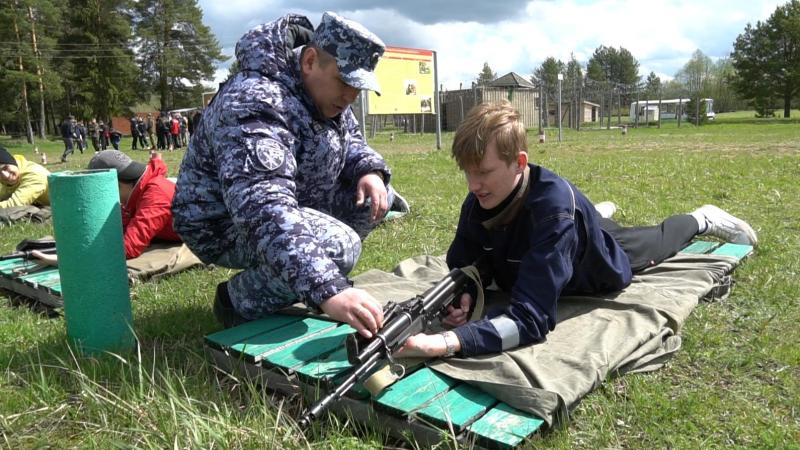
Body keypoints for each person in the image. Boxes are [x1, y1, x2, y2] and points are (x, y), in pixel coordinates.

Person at [397, 101, 758, 358]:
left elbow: (530, 321)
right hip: (560, 232)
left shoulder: (553, 213)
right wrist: (467, 297)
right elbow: (465, 261)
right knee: (578, 222)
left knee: (657, 242)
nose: (473, 185)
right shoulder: (482, 198)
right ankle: (592, 215)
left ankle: (701, 218)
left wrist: (448, 342)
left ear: (520, 163)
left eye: (484, 172)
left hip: (595, 265)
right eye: (468, 172)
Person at [172, 12, 407, 338]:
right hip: (223, 223)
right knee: (340, 247)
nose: (351, 96)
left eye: (358, 87)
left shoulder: (324, 95)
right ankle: (237, 301)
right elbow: (262, 204)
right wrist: (329, 288)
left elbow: (350, 139)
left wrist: (370, 171)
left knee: (369, 199)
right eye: (345, 82)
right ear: (310, 60)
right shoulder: (256, 100)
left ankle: (292, 276)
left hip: (291, 200)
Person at [34, 151, 181, 264]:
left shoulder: (154, 196)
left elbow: (129, 248)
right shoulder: (139, 190)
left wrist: (72, 261)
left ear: (116, 185)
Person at [0, 146, 50, 210]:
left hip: (63, 207)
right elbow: (3, 194)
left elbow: (14, 204)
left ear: (12, 162)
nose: (5, 175)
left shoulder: (34, 174)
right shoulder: (16, 170)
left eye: (5, 168)